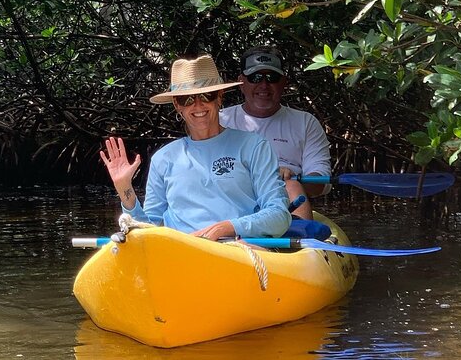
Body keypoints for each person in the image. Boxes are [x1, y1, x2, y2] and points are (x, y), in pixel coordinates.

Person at [100, 54, 291, 241]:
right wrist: (125, 190)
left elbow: (279, 216)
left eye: (206, 95)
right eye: (187, 99)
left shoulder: (254, 146)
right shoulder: (163, 158)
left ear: (219, 97)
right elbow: (148, 232)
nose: (198, 105)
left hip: (238, 250)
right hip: (181, 256)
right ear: (177, 105)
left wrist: (226, 228)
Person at [219, 46, 331, 220]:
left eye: (272, 78)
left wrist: (288, 179)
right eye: (255, 77)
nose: (264, 86)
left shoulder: (306, 122)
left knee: (291, 187)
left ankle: (301, 239)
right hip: (232, 204)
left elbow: (319, 183)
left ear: (283, 82)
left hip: (289, 202)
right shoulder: (220, 120)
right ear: (241, 82)